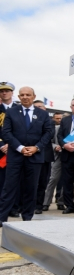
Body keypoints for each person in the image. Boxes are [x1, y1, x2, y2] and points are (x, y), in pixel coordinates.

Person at [0, 87, 53, 227]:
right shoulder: (11, 112)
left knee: (31, 188)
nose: (25, 97)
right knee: (9, 187)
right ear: (18, 96)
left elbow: (48, 133)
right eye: (22, 95)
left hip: (35, 157)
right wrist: (20, 148)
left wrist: (37, 147)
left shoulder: (42, 114)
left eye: (28, 95)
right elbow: (6, 133)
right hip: (16, 156)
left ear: (33, 96)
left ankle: (27, 219)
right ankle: (2, 218)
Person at [0, 82, 21, 218]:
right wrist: (2, 144)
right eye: (2, 91)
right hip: (0, 150)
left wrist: (13, 145)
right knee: (2, 181)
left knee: (16, 181)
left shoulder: (19, 109)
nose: (4, 93)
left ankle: (14, 207)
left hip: (16, 149)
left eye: (7, 91)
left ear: (12, 93)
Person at [32, 101, 54, 214]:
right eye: (36, 107)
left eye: (40, 107)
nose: (38, 109)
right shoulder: (28, 120)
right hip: (30, 154)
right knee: (30, 182)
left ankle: (38, 205)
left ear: (45, 109)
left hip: (45, 155)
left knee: (42, 182)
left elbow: (50, 134)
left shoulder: (49, 121)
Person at [42, 112, 65, 210]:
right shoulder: (55, 129)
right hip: (58, 156)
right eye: (57, 118)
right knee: (53, 179)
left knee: (66, 181)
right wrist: (56, 147)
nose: (59, 120)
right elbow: (49, 142)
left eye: (61, 118)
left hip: (71, 156)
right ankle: (46, 202)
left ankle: (61, 202)